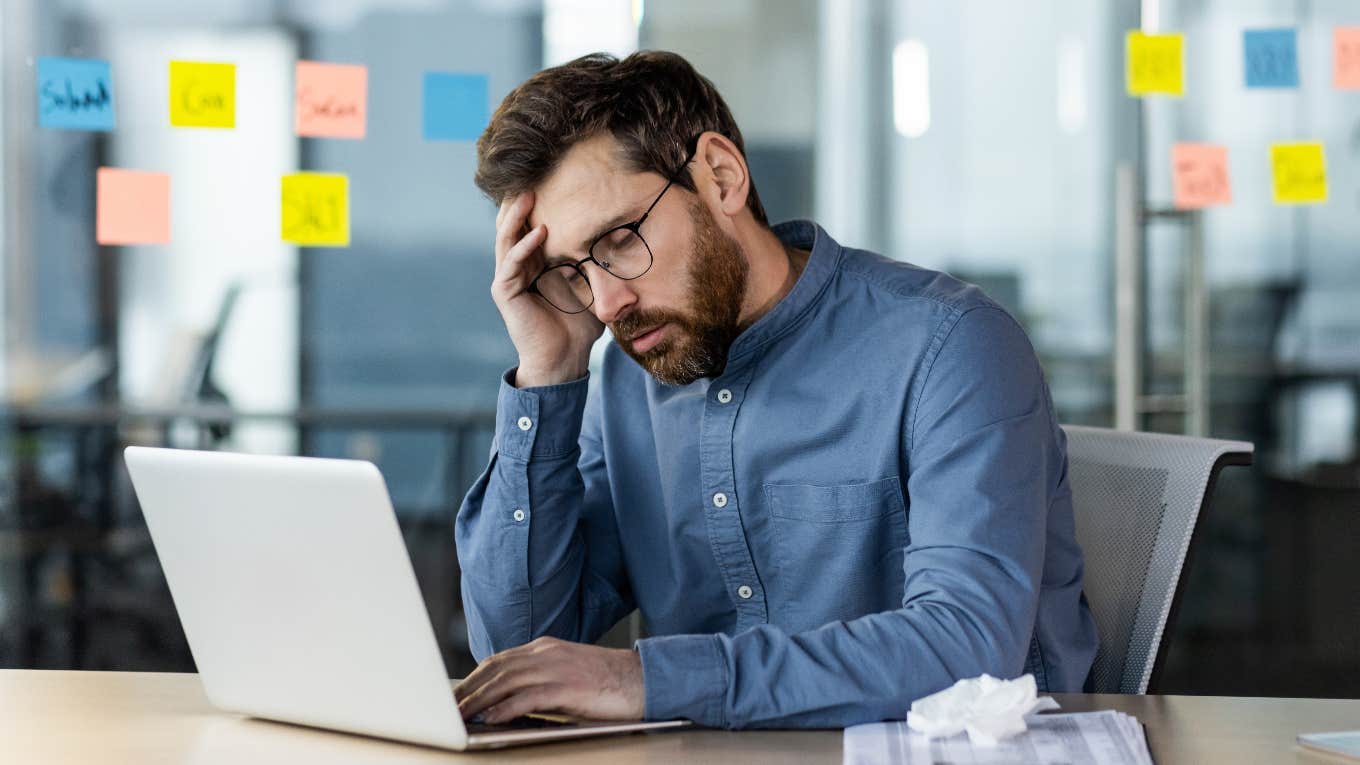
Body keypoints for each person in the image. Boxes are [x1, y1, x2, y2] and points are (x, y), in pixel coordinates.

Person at [453, 50, 1098, 730]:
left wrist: (650, 678)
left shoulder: (950, 345)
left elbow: (967, 647)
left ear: (722, 177)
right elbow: (514, 650)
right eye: (571, 272)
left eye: (618, 239)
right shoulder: (623, 383)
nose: (606, 301)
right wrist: (548, 374)